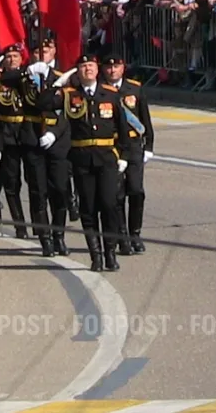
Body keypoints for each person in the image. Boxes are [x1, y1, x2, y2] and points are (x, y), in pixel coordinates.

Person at [38, 54, 129, 272]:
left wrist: (124, 156)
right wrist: (56, 83)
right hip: (81, 159)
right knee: (88, 209)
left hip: (107, 158)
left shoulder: (111, 94)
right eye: (83, 66)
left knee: (108, 205)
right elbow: (43, 103)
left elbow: (123, 127)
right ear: (77, 71)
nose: (87, 69)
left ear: (97, 70)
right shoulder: (70, 96)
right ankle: (95, 256)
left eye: (91, 66)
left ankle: (109, 253)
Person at [2, 37, 72, 256]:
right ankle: (45, 239)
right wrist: (28, 71)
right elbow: (5, 78)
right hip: (32, 137)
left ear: (54, 52)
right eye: (37, 50)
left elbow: (72, 110)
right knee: (37, 191)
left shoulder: (63, 78)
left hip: (57, 139)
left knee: (60, 190)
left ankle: (59, 235)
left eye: (47, 49)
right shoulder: (25, 76)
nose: (42, 53)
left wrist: (54, 133)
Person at [101, 56, 153, 254]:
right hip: (111, 145)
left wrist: (149, 145)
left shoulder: (134, 88)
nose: (112, 70)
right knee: (117, 194)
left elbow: (144, 118)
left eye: (116, 66)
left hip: (133, 145)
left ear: (123, 68)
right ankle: (122, 236)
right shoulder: (100, 90)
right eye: (109, 66)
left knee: (136, 190)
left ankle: (135, 233)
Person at [0, 43, 29, 240]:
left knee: (35, 183)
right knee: (11, 183)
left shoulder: (29, 77)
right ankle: (19, 225)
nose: (12, 59)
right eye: (8, 56)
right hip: (6, 133)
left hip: (28, 133)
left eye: (16, 56)